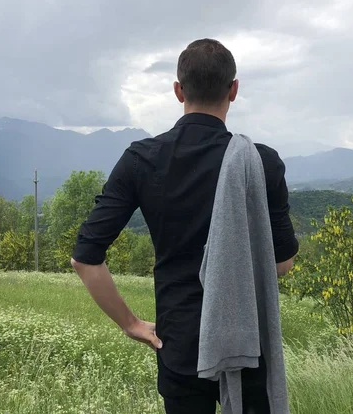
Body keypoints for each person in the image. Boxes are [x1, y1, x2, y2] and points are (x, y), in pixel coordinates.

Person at [71, 38, 299, 414]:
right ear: (234, 89)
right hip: (248, 343)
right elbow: (281, 263)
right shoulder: (260, 163)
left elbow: (85, 259)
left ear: (178, 91)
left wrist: (130, 324)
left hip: (178, 346)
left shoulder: (141, 160)